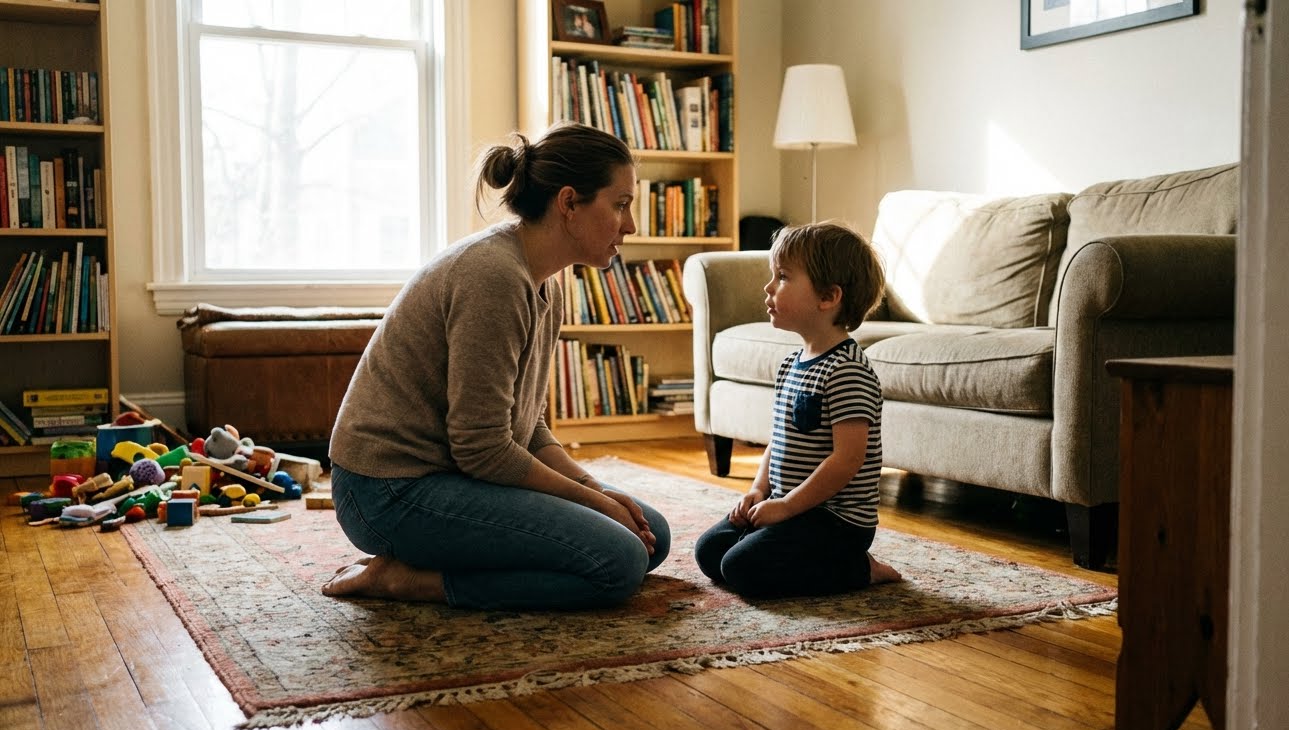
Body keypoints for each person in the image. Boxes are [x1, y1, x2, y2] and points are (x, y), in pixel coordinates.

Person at [322, 121, 670, 611]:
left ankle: (466, 558)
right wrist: (594, 502)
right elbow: (482, 449)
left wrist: (591, 487)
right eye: (620, 204)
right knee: (619, 563)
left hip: (453, 477)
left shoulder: (546, 277)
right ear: (569, 203)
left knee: (652, 534)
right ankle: (407, 580)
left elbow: (527, 425)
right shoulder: (494, 277)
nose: (630, 226)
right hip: (388, 492)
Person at [693, 222, 902, 599]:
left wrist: (787, 507)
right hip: (792, 508)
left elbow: (847, 460)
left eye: (783, 277)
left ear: (828, 297)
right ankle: (795, 545)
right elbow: (780, 440)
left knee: (741, 569)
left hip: (836, 521)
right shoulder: (792, 364)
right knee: (710, 554)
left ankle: (859, 567)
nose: (768, 287)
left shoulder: (848, 371)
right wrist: (759, 491)